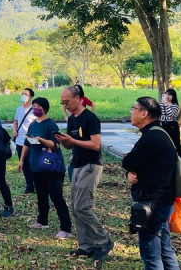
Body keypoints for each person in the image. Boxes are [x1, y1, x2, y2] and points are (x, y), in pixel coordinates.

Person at [122, 97, 180, 270]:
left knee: (151, 253)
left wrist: (130, 169)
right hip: (162, 200)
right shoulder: (157, 132)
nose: (131, 112)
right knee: (164, 249)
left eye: (134, 108)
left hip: (153, 203)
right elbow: (138, 165)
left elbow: (129, 161)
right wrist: (131, 173)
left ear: (144, 113)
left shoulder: (152, 137)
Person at [56, 86, 113, 259]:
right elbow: (70, 145)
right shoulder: (72, 120)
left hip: (91, 165)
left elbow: (96, 145)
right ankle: (86, 245)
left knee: (83, 207)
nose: (65, 106)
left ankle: (103, 241)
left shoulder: (91, 118)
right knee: (76, 207)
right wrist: (64, 141)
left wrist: (72, 139)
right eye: (62, 103)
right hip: (77, 165)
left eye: (67, 102)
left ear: (78, 98)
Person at [19, 97, 72, 240]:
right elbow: (27, 143)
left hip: (52, 167)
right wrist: (22, 160)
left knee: (56, 196)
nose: (35, 109)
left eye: (38, 106)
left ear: (44, 109)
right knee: (41, 194)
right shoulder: (32, 124)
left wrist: (41, 140)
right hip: (36, 165)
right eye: (34, 106)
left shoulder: (51, 125)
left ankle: (66, 227)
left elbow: (56, 145)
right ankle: (42, 220)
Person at [13, 88, 37, 194]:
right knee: (24, 163)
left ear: (31, 97)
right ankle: (29, 184)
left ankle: (37, 183)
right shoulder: (18, 109)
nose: (23, 95)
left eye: (25, 94)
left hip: (31, 140)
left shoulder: (34, 109)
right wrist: (14, 130)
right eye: (22, 94)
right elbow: (15, 122)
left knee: (33, 162)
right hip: (20, 140)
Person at [160, 89, 181, 157]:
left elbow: (172, 115)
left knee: (175, 143)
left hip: (172, 126)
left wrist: (166, 105)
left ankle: (178, 158)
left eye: (170, 95)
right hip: (162, 125)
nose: (167, 96)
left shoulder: (175, 105)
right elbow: (159, 115)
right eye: (166, 94)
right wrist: (163, 104)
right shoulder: (161, 104)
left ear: (173, 96)